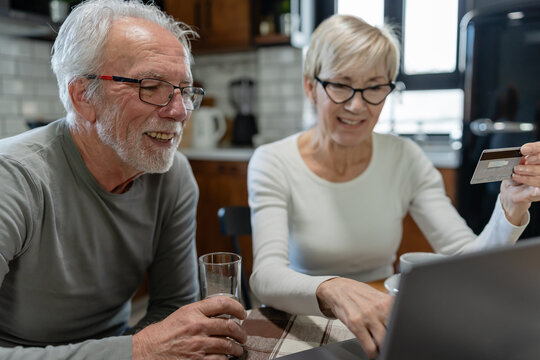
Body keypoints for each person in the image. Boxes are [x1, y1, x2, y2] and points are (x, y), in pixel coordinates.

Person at [247, 14, 540, 359]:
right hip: (303, 318)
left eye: (374, 87)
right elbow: (265, 276)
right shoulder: (273, 160)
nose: (357, 105)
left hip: (383, 317)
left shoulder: (405, 157)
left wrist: (509, 209)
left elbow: (464, 256)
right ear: (311, 87)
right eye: (341, 84)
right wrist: (335, 289)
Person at [0, 0, 246, 358]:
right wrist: (138, 350)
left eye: (185, 90)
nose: (179, 111)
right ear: (83, 96)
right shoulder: (12, 178)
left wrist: (140, 348)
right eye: (151, 86)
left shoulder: (172, 177)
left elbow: (173, 312)